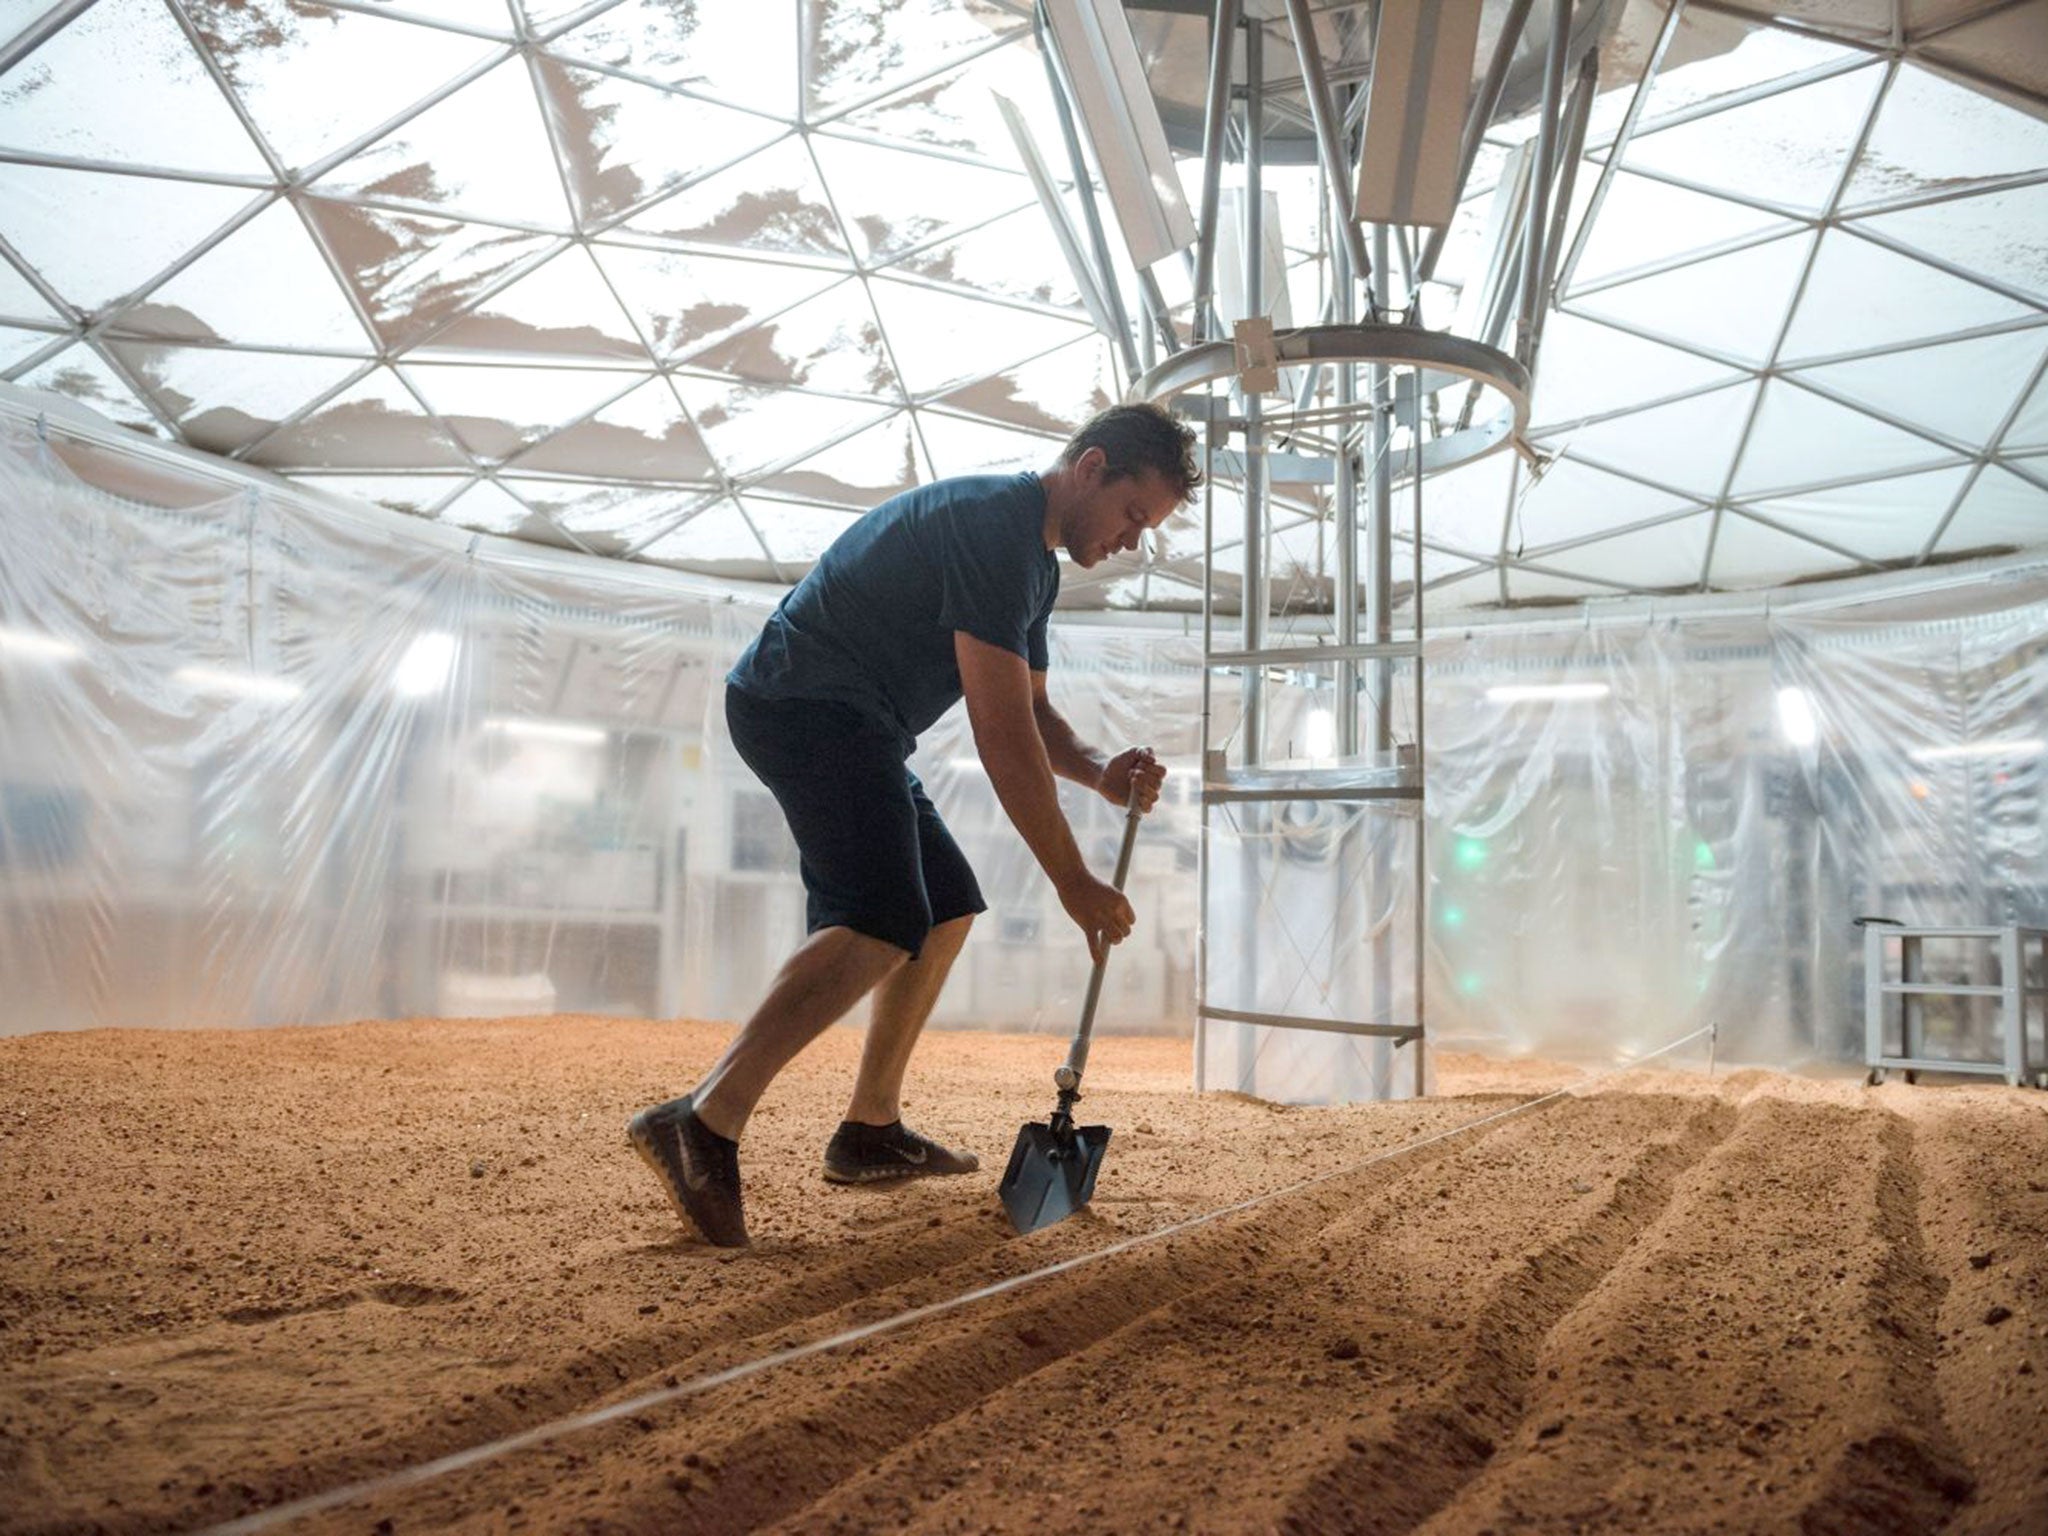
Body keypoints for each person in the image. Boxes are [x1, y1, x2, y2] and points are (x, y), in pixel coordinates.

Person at [627, 403, 1201, 1246]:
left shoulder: (1032, 566)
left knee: (943, 906)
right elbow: (999, 734)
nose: (1131, 541)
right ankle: (703, 1119)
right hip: (801, 703)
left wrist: (1099, 774)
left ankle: (869, 1129)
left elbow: (1035, 714)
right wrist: (1074, 882)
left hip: (853, 721)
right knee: (883, 917)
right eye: (1132, 515)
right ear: (1091, 470)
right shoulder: (992, 528)